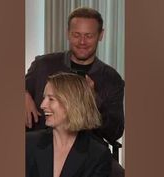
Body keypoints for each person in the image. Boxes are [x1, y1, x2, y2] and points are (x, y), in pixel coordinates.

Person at [25, 7, 125, 146]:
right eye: (76, 35)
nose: (82, 42)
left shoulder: (112, 79)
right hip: (39, 149)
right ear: (68, 34)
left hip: (88, 155)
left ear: (101, 35)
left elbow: (115, 132)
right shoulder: (42, 65)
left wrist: (93, 100)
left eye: (88, 36)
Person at [26, 72, 112, 177]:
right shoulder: (27, 143)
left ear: (72, 104)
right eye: (44, 98)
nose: (42, 105)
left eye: (51, 99)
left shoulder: (98, 154)